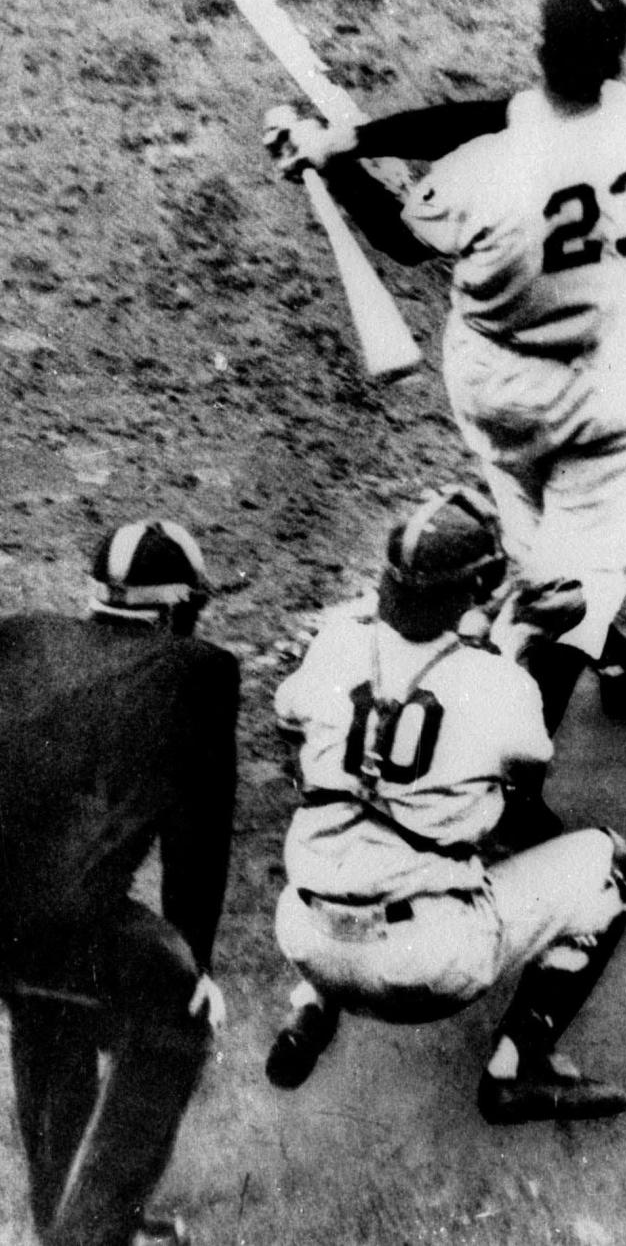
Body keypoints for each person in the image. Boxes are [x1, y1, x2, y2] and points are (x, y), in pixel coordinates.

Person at [264, 0, 626, 741]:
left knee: (542, 548)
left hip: (497, 389)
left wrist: (331, 159)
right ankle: (515, 771)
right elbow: (500, 117)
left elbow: (400, 235)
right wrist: (347, 142)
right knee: (581, 567)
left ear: (540, 52)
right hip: (605, 383)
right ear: (616, 60)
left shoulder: (484, 172)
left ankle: (619, 667)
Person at [265, 486, 626, 1123]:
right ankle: (516, 1069)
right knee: (609, 862)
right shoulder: (500, 683)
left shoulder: (334, 643)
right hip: (427, 967)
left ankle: (312, 1007)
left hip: (303, 934)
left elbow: (289, 719)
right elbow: (525, 766)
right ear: (483, 586)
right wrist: (512, 637)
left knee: (350, 810)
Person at [0, 520, 240, 1246]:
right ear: (175, 610)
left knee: (48, 1000)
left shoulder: (19, 638)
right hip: (62, 916)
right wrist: (192, 962)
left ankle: (62, 1222)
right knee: (178, 1017)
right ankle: (90, 1233)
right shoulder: (197, 670)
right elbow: (198, 842)